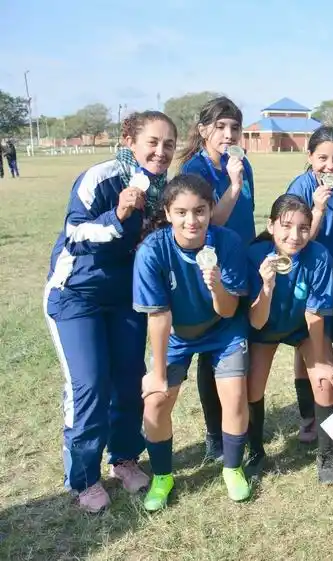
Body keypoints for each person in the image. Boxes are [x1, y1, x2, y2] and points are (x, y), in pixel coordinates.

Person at [43, 111, 176, 512]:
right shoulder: (99, 178)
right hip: (75, 297)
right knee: (90, 385)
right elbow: (75, 234)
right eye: (152, 142)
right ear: (129, 140)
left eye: (168, 144)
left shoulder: (160, 189)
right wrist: (118, 215)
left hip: (124, 300)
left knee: (127, 382)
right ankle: (83, 478)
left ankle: (124, 459)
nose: (160, 151)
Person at [133, 174, 251, 511]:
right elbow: (158, 317)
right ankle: (162, 476)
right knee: (156, 401)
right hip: (176, 335)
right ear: (168, 213)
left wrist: (215, 285)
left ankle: (232, 467)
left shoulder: (227, 244)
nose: (191, 220)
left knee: (235, 395)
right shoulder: (153, 251)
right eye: (181, 212)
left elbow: (229, 311)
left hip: (222, 329)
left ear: (211, 210)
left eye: (199, 211)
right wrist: (157, 373)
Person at [179, 97, 256, 463]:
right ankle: (214, 434)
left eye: (234, 128)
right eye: (221, 126)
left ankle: (239, 425)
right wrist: (234, 183)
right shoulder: (196, 170)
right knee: (211, 355)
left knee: (236, 348)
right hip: (210, 267)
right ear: (203, 129)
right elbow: (211, 222)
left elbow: (245, 218)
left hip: (242, 265)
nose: (228, 134)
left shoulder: (243, 163)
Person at [246, 194, 333, 483]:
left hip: (302, 327)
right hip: (266, 329)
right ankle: (256, 452)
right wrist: (266, 287)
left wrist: (323, 360)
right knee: (251, 388)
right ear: (272, 226)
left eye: (303, 227)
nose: (295, 235)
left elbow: (315, 314)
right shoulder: (254, 256)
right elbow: (256, 320)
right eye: (286, 226)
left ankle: (326, 455)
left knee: (325, 382)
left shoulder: (319, 255)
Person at [285, 126, 333, 447]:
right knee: (310, 348)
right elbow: (297, 241)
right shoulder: (301, 187)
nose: (330, 166)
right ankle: (309, 419)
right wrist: (316, 208)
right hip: (312, 279)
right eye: (322, 158)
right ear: (309, 157)